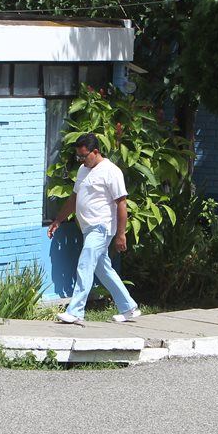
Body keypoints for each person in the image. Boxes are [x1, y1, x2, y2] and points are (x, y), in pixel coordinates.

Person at [47, 133, 141, 325]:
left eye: (84, 156)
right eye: (78, 157)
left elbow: (122, 204)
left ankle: (76, 311)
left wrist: (121, 234)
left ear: (95, 151)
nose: (81, 160)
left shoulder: (111, 171)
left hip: (102, 227)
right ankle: (128, 307)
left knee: (85, 264)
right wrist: (58, 220)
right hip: (88, 228)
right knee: (103, 269)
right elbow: (74, 198)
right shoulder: (83, 170)